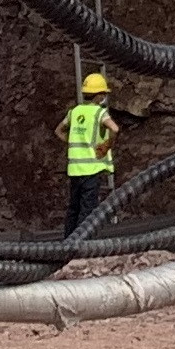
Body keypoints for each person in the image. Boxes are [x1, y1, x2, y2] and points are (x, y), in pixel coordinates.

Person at [60, 73, 120, 231]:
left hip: (75, 170)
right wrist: (107, 145)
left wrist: (74, 142)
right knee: (87, 210)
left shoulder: (75, 112)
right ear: (100, 95)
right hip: (91, 169)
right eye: (104, 94)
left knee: (74, 208)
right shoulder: (99, 113)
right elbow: (114, 128)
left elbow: (59, 130)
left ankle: (68, 243)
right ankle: (82, 245)